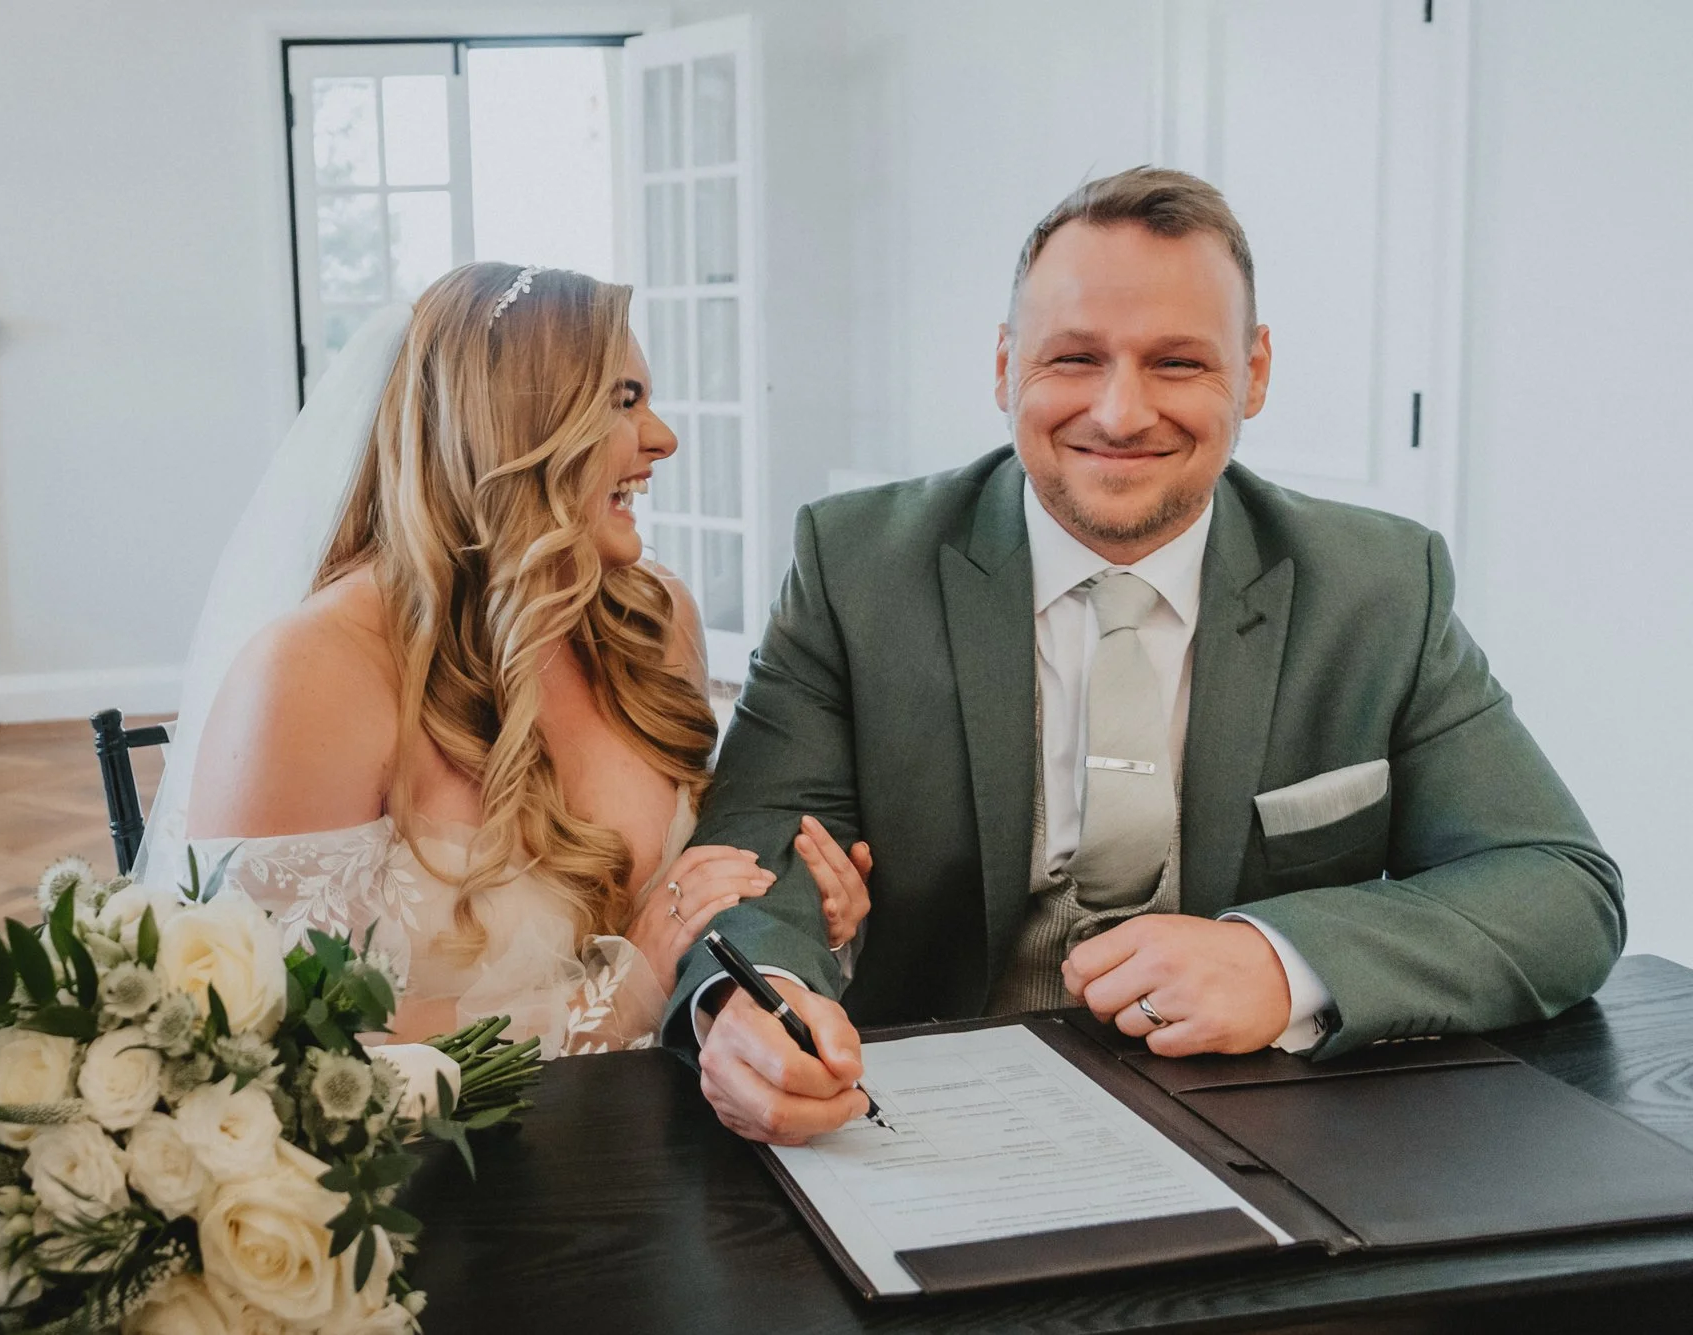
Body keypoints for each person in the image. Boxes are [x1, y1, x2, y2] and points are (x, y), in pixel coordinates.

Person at [675, 167, 1623, 1144]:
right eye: (1073, 358)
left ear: (1252, 371)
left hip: (1266, 1134)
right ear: (1004, 366)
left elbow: (1556, 888)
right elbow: (753, 857)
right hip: (907, 1121)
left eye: (1176, 364)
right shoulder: (855, 565)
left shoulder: (1378, 586)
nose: (1121, 414)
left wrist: (1277, 961)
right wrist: (752, 1003)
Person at [135, 263, 873, 1056]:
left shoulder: (652, 622)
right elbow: (279, 1042)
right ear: (513, 425)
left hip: (688, 1119)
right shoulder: (312, 673)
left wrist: (798, 926)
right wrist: (624, 994)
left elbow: (696, 909)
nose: (663, 437)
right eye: (624, 401)